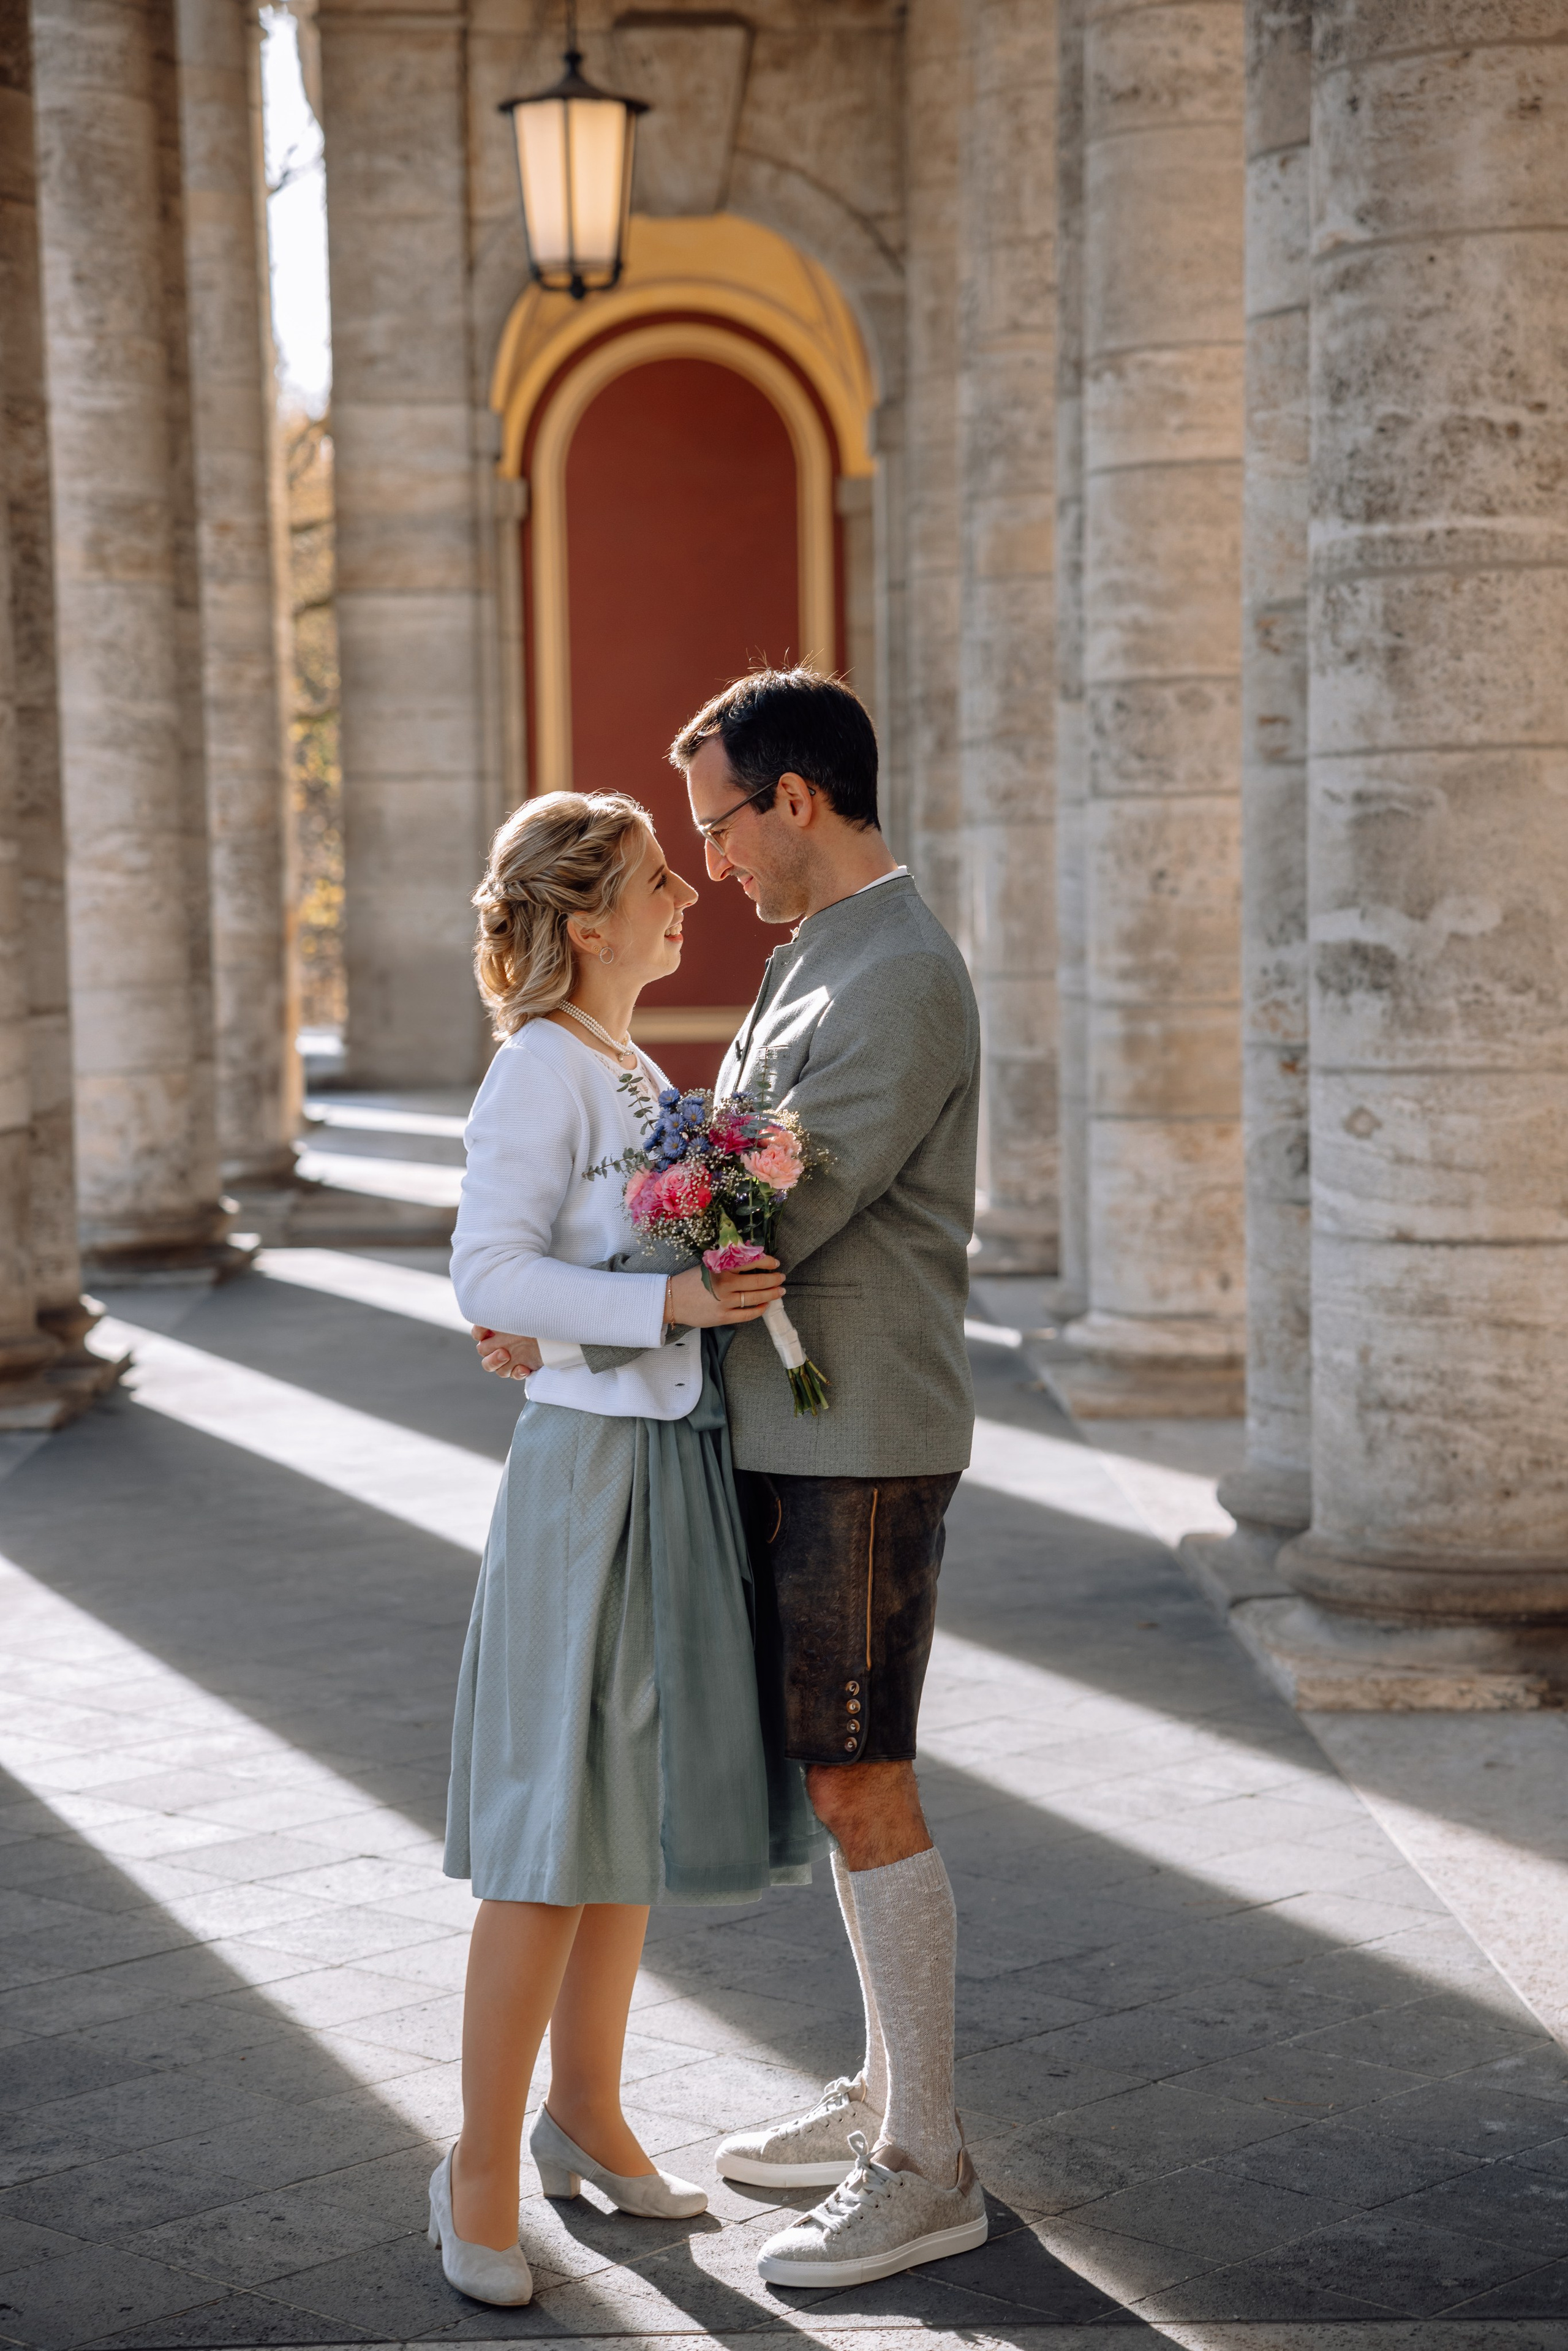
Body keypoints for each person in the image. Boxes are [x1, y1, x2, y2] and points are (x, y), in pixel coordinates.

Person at [432, 789, 820, 2309]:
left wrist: (661, 1291)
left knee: (620, 1819)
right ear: (587, 921)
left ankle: (583, 2114)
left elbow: (555, 1284)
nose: (687, 896)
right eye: (661, 879)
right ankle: (474, 2168)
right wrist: (664, 1303)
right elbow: (487, 1269)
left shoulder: (625, 1064)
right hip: (587, 1480)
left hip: (664, 1462)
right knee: (549, 1830)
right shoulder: (538, 1066)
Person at [676, 668, 984, 2289]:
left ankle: (928, 2160)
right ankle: (883, 2089)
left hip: (859, 1431)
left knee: (864, 1774)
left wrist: (603, 1259)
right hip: (798, 1424)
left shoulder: (901, 969)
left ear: (794, 796)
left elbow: (773, 1212)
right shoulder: (815, 952)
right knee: (835, 1772)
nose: (713, 858)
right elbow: (733, 1169)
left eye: (721, 822)